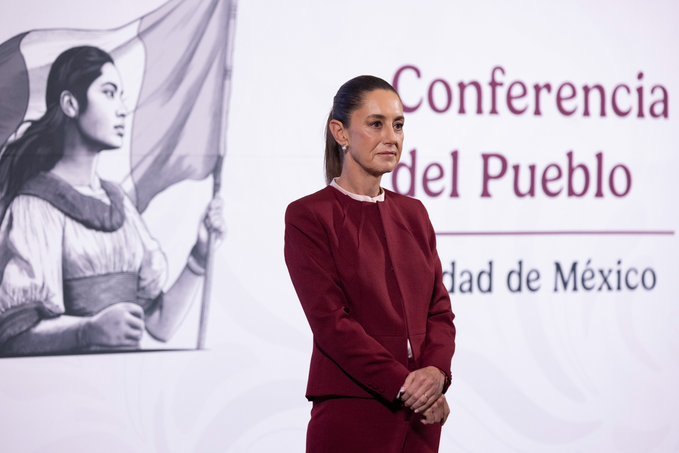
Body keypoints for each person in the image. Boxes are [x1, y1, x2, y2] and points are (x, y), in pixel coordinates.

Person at [0, 46, 223, 355]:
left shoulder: (120, 205)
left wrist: (199, 256)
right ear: (70, 104)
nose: (121, 109)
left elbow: (159, 324)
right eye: (108, 93)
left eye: (121, 96)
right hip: (65, 382)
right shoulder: (35, 207)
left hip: (125, 381)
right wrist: (88, 330)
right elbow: (15, 335)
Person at [284, 75, 456, 452]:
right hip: (354, 409)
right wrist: (407, 386)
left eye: (398, 125)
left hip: (422, 415)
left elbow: (439, 311)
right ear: (340, 132)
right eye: (376, 124)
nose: (391, 137)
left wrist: (435, 373)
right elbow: (332, 324)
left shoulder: (414, 213)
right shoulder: (309, 216)